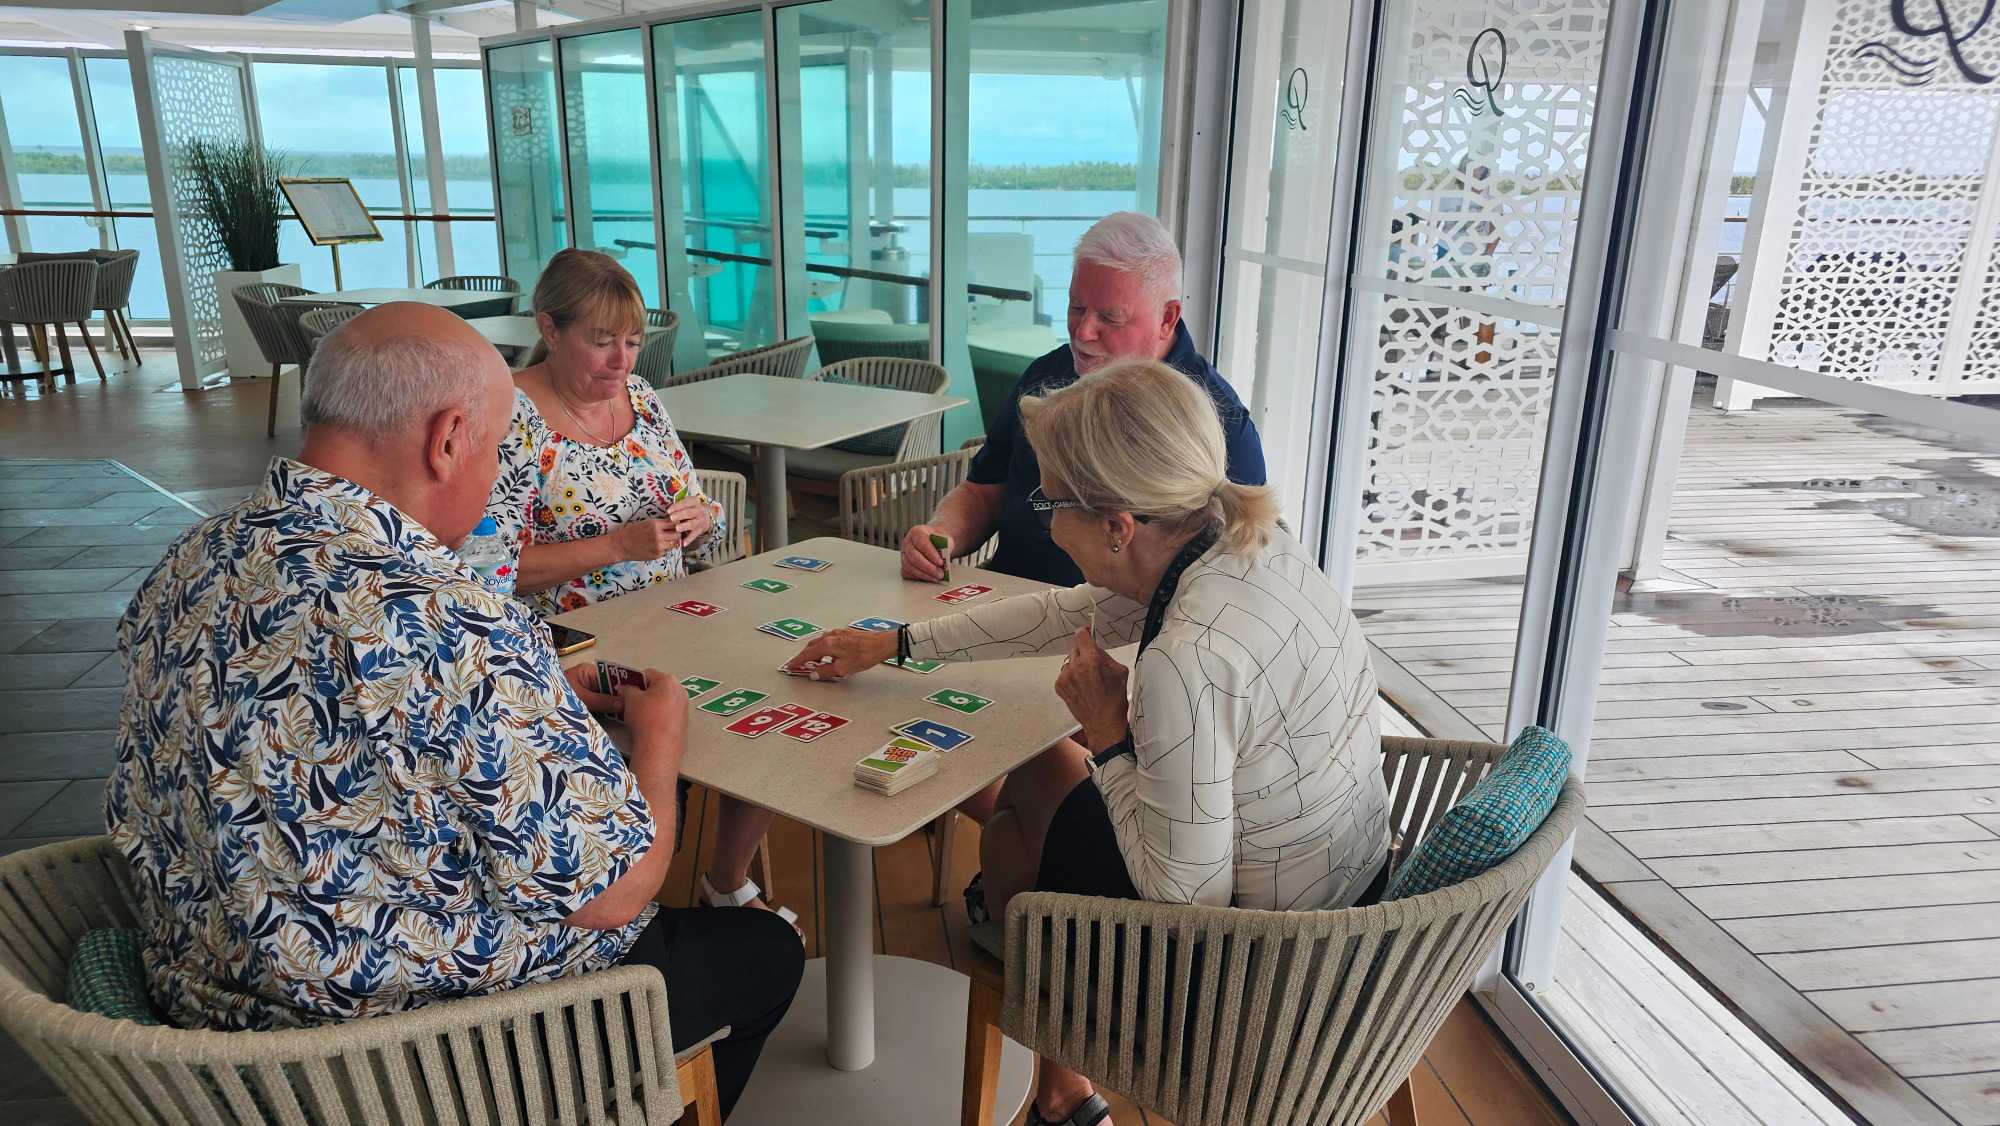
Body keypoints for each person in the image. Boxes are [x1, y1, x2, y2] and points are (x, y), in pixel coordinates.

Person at [107, 303, 801, 1121]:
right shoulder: (444, 615)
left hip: (203, 1023)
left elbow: (346, 717)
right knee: (765, 952)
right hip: (406, 1057)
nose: (500, 472)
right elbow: (614, 893)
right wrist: (660, 739)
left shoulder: (191, 560)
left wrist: (528, 689)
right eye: (500, 447)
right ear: (447, 440)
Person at [787, 360, 1388, 1126]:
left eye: (1049, 500)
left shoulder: (1188, 658)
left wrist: (1108, 738)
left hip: (1259, 975)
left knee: (1024, 845)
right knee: (1031, 792)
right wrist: (896, 643)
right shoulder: (1248, 545)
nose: (1041, 519)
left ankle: (1047, 1022)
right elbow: (1062, 614)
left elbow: (1184, 900)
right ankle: (1057, 1078)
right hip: (1354, 906)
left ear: (1116, 525)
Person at [484, 248, 791, 928]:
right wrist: (617, 546)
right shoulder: (508, 415)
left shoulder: (642, 398)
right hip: (569, 650)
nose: (621, 362)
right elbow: (489, 570)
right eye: (601, 343)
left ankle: (726, 879)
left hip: (671, 620)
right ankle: (633, 904)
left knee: (775, 695)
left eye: (632, 342)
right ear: (550, 328)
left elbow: (696, 506)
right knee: (703, 720)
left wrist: (701, 520)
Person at [901, 211, 1266, 589]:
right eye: (1076, 308)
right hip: (1008, 594)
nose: (1083, 332)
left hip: (1125, 621)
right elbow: (984, 492)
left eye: (1110, 317)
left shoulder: (1221, 424)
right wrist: (939, 535)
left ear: (1167, 318)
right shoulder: (1046, 376)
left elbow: (1231, 575)